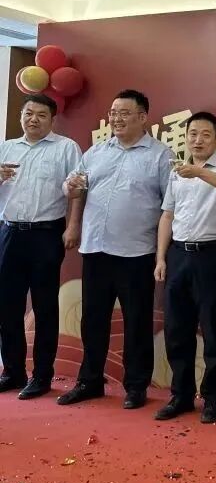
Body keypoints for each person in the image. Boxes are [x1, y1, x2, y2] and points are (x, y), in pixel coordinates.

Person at [58, 90, 172, 410]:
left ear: (142, 117)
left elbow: (170, 205)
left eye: (124, 113)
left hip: (137, 253)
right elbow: (76, 188)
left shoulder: (160, 155)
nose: (116, 119)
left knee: (137, 321)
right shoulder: (96, 151)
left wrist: (162, 253)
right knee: (92, 320)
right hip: (96, 248)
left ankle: (135, 386)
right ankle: (89, 381)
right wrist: (71, 205)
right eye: (113, 113)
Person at [153, 112, 216, 425]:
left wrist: (199, 173)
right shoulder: (177, 171)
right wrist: (161, 258)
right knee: (176, 329)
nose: (198, 140)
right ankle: (180, 395)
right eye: (193, 134)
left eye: (206, 134)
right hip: (179, 254)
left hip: (214, 255)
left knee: (212, 328)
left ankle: (213, 398)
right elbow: (167, 215)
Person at [0, 94, 82, 400]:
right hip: (9, 232)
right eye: (28, 113)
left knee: (45, 306)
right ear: (21, 116)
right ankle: (12, 371)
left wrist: (73, 225)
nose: (33, 119)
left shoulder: (65, 148)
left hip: (46, 234)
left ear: (52, 119)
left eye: (41, 115)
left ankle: (42, 375)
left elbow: (77, 189)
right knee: (7, 306)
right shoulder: (6, 148)